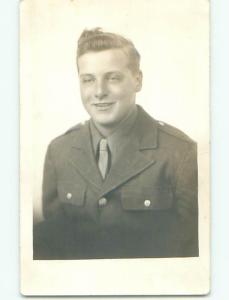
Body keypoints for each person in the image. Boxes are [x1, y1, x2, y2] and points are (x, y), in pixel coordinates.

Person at [33, 28, 198, 259]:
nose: (99, 92)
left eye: (113, 78)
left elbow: (190, 253)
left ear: (137, 80)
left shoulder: (180, 153)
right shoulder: (59, 152)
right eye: (88, 80)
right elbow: (51, 249)